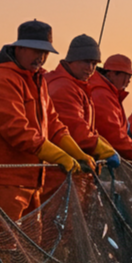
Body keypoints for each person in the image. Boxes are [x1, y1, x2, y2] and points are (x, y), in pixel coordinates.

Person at [0, 21, 95, 221]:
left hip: (33, 182)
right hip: (2, 183)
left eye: (46, 52)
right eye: (36, 50)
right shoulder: (0, 80)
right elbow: (17, 131)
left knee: (32, 244)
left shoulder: (38, 81)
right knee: (5, 246)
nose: (41, 57)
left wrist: (76, 152)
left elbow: (54, 124)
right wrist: (60, 156)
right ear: (19, 48)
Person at [41, 34, 122, 201]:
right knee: (65, 226)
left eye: (94, 63)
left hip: (76, 173)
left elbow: (89, 129)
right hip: (60, 177)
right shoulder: (64, 87)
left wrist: (104, 146)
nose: (90, 68)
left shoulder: (77, 85)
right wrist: (105, 150)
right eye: (86, 61)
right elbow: (76, 130)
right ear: (72, 60)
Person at [88, 53, 132, 171]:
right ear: (112, 73)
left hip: (102, 160)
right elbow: (113, 134)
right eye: (127, 75)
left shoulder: (107, 92)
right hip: (101, 162)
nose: (129, 80)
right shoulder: (102, 94)